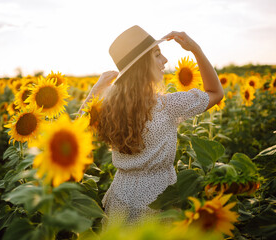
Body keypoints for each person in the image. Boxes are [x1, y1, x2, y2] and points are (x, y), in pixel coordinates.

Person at [78, 25, 224, 229]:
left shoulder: (108, 108)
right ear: (142, 65)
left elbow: (77, 127)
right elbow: (216, 92)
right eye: (157, 55)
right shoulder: (168, 105)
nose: (165, 61)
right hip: (158, 202)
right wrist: (196, 49)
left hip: (120, 199)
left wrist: (96, 90)